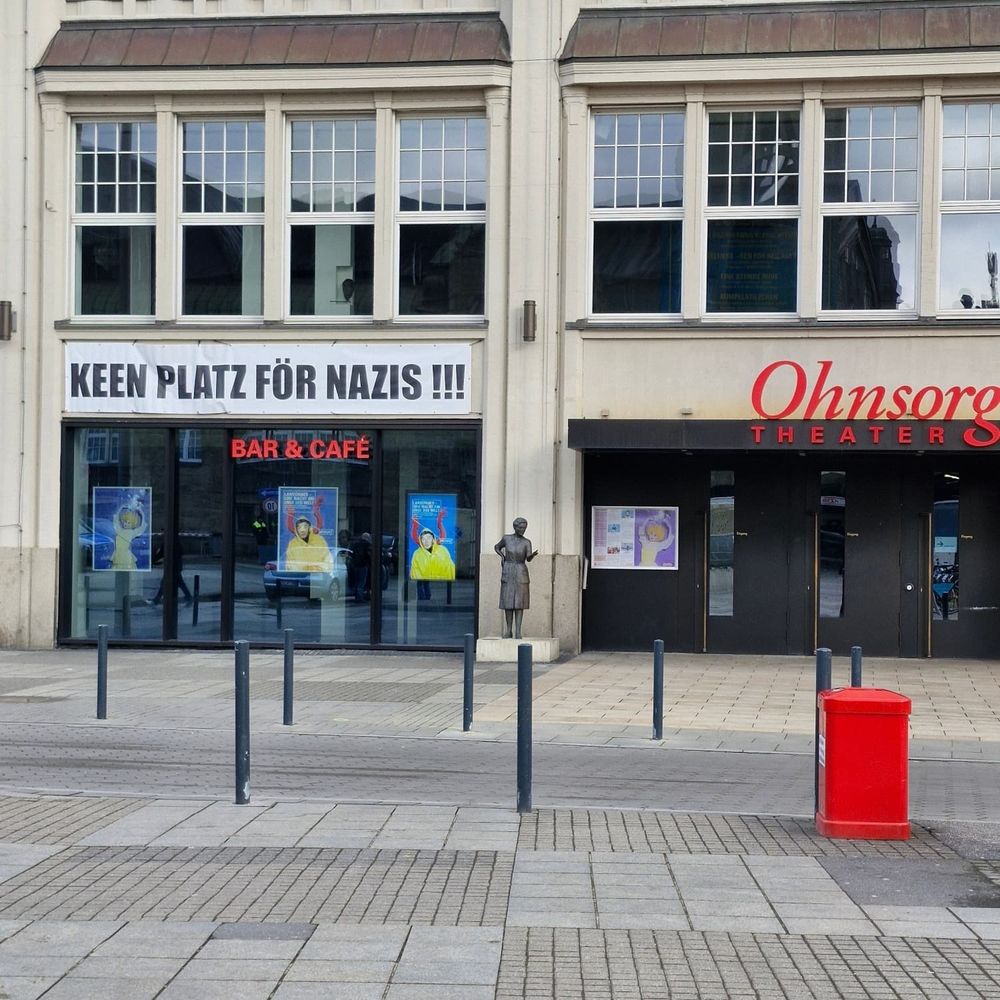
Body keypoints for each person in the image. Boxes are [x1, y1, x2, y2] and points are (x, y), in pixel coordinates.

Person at [494, 517, 538, 639]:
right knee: (508, 601)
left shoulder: (526, 542)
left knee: (519, 602)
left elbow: (528, 558)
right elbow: (497, 547)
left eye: (524, 528)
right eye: (520, 528)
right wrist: (502, 557)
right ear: (515, 527)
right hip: (508, 569)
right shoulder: (507, 538)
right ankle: (508, 631)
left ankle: (518, 631)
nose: (522, 530)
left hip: (521, 570)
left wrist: (532, 555)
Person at [409, 509, 456, 599]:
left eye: (429, 538)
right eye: (424, 539)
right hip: (422, 572)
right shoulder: (417, 552)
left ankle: (427, 596)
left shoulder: (440, 548)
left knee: (425, 582)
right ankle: (422, 596)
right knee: (421, 582)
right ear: (421, 540)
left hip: (429, 571)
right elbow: (415, 536)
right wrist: (415, 524)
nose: (426, 541)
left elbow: (442, 536)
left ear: (433, 539)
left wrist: (439, 521)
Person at [283, 496, 333, 573]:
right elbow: (289, 563)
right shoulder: (292, 543)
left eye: (305, 526)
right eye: (299, 527)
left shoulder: (320, 540)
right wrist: (300, 572)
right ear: (296, 529)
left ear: (309, 528)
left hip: (318, 576)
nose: (302, 530)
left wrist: (319, 570)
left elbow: (327, 559)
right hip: (300, 577)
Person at [149, 533, 192, 606]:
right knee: (179, 583)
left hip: (173, 567)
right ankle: (189, 598)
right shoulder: (173, 541)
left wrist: (154, 559)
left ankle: (156, 601)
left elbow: (161, 553)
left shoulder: (169, 541)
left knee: (165, 583)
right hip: (175, 567)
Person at [351, 531, 373, 601]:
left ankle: (357, 597)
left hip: (356, 565)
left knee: (357, 582)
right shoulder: (368, 545)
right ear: (367, 538)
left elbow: (352, 554)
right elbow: (369, 556)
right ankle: (360, 598)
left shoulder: (356, 544)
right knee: (361, 582)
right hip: (363, 565)